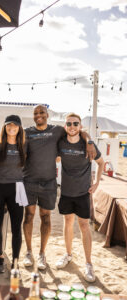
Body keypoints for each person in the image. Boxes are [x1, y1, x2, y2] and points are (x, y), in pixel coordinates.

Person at [23, 105, 96, 270]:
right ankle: (29, 252)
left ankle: (42, 254)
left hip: (49, 182)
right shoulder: (27, 132)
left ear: (47, 115)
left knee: (46, 218)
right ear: (33, 116)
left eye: (42, 112)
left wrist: (89, 140)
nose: (39, 115)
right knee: (28, 216)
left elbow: (77, 130)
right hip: (29, 181)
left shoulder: (57, 130)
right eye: (36, 113)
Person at [55, 113, 104, 282]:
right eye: (69, 123)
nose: (72, 126)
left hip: (83, 193)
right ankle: (68, 254)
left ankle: (89, 264)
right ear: (65, 126)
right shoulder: (60, 143)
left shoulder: (88, 144)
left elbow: (101, 163)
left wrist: (97, 182)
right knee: (67, 222)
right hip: (66, 192)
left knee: (84, 226)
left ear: (80, 126)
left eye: (76, 123)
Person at [0, 115, 27, 273]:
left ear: (19, 128)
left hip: (17, 188)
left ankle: (16, 261)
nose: (12, 128)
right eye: (9, 125)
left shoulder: (25, 145)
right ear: (4, 127)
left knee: (16, 227)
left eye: (15, 125)